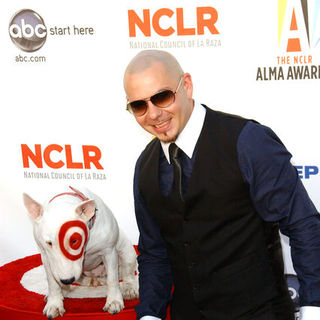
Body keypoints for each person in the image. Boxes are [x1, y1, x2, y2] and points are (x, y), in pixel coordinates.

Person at [123, 50, 320, 320]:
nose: (154, 114)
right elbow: (154, 252)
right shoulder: (144, 167)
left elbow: (303, 226)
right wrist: (149, 314)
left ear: (187, 85)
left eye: (162, 97)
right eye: (139, 105)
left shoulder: (248, 142)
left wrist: (313, 308)